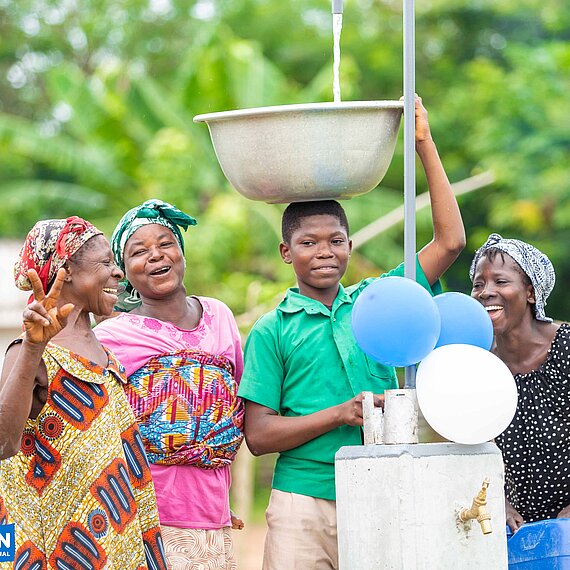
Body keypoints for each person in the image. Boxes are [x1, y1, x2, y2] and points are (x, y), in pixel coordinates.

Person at [237, 95, 466, 570]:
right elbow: (258, 436)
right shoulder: (271, 329)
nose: (324, 252)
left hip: (385, 487)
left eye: (336, 241)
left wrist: (424, 144)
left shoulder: (380, 301)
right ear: (286, 252)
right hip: (303, 502)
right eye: (308, 243)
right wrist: (339, 414)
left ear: (350, 244)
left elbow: (451, 241)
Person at [0, 216, 167, 570]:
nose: (118, 273)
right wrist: (32, 347)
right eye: (105, 263)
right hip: (52, 546)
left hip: (112, 544)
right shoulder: (32, 351)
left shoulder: (104, 353)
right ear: (67, 270)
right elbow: (2, 443)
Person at [94, 199, 244, 570]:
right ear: (124, 271)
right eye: (139, 252)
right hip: (144, 513)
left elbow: (232, 409)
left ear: (182, 251)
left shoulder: (220, 315)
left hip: (212, 511)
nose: (156, 256)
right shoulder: (112, 337)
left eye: (165, 243)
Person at [470, 233, 570, 533]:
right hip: (519, 532)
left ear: (531, 293)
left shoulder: (566, 347)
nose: (486, 292)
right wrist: (498, 502)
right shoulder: (479, 366)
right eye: (478, 284)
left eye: (500, 282)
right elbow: (471, 446)